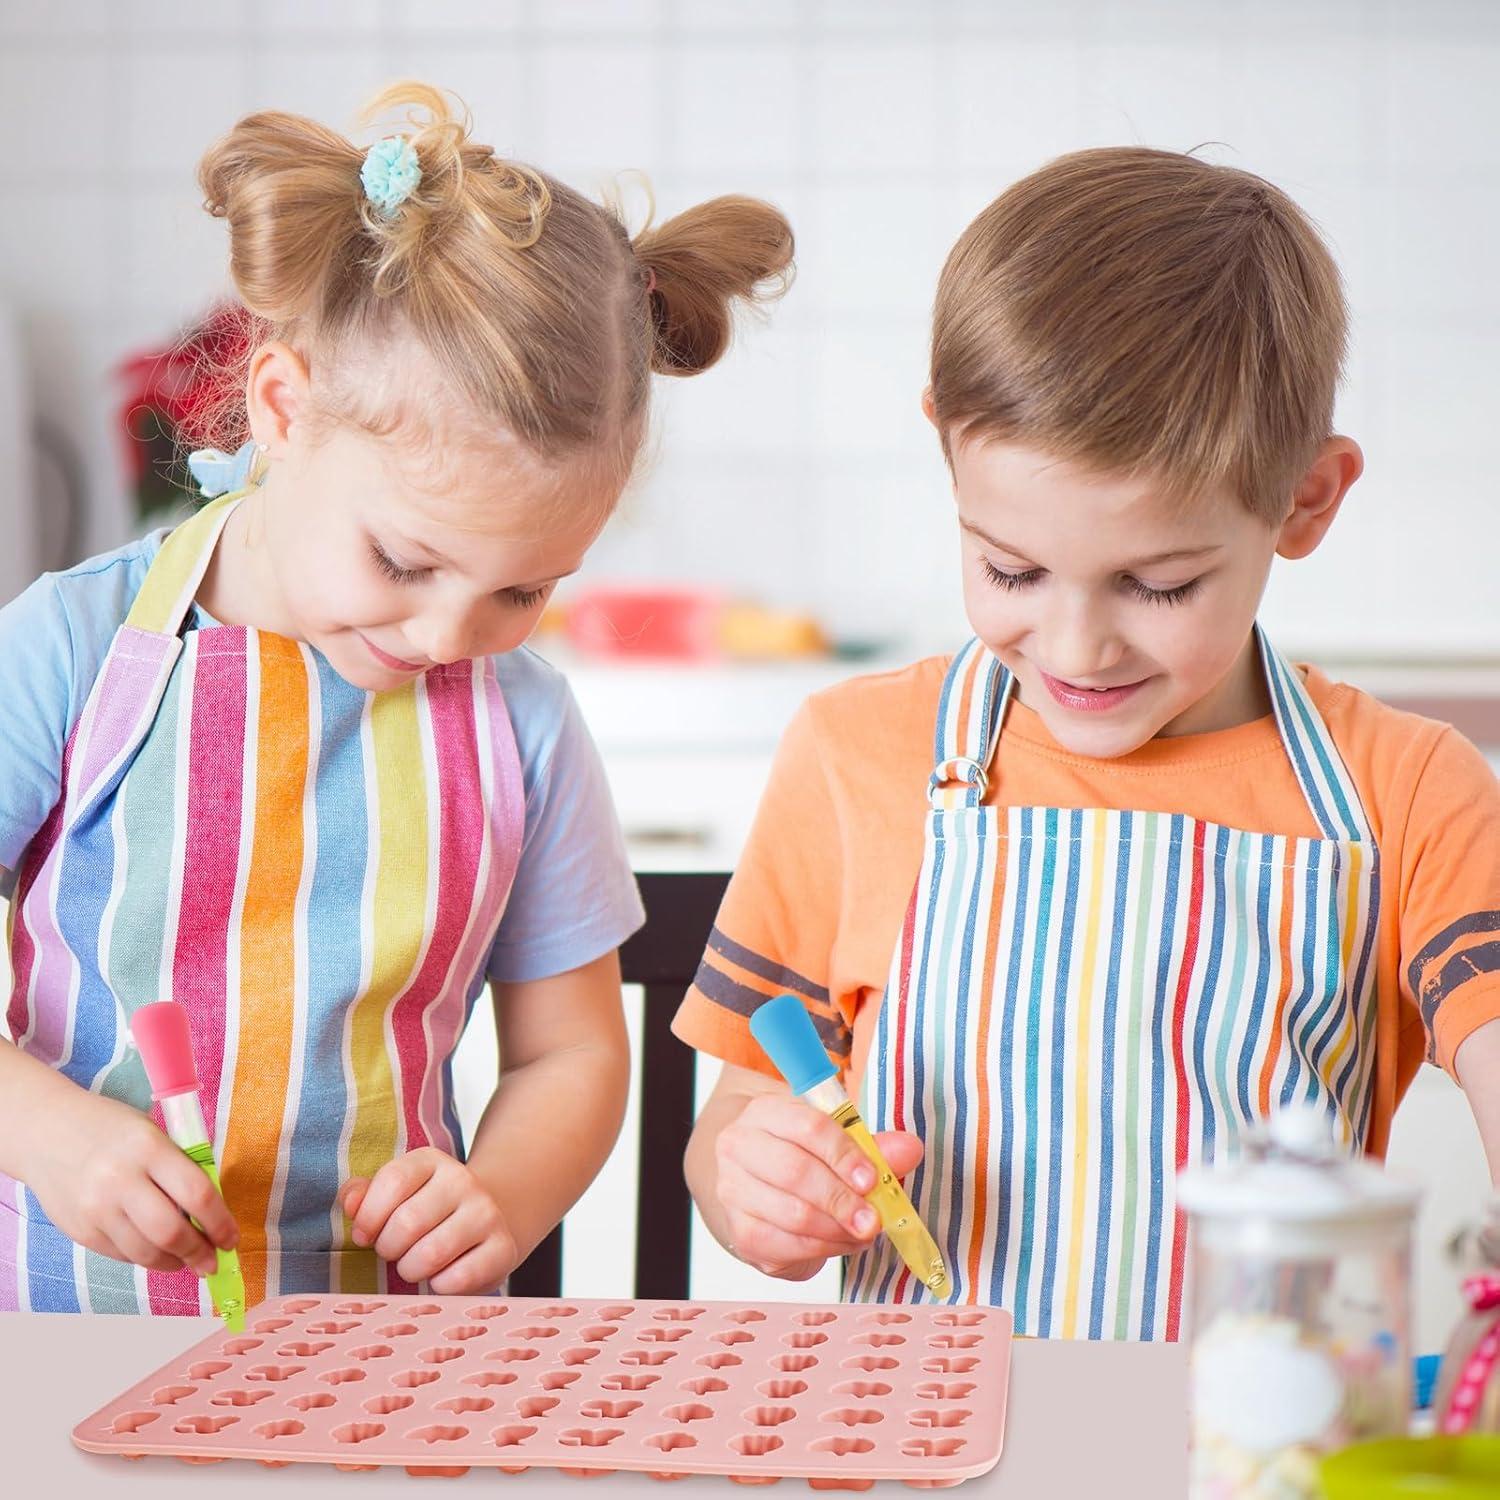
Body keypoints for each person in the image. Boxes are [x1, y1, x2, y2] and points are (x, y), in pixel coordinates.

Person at [673, 147, 1500, 1339]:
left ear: (1306, 499)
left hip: (1245, 1428)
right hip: (922, 1427)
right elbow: (730, 1129)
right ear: (948, 451)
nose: (1076, 646)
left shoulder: (1406, 792)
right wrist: (760, 1190)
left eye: (1157, 585)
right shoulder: (857, 755)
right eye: (1011, 569)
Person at [0, 81, 793, 1314]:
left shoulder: (525, 725)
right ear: (283, 409)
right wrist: (47, 1132)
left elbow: (573, 1052)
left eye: (521, 591)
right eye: (405, 563)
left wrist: (504, 1196)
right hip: (64, 1332)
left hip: (388, 1352)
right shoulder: (73, 647)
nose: (446, 636)